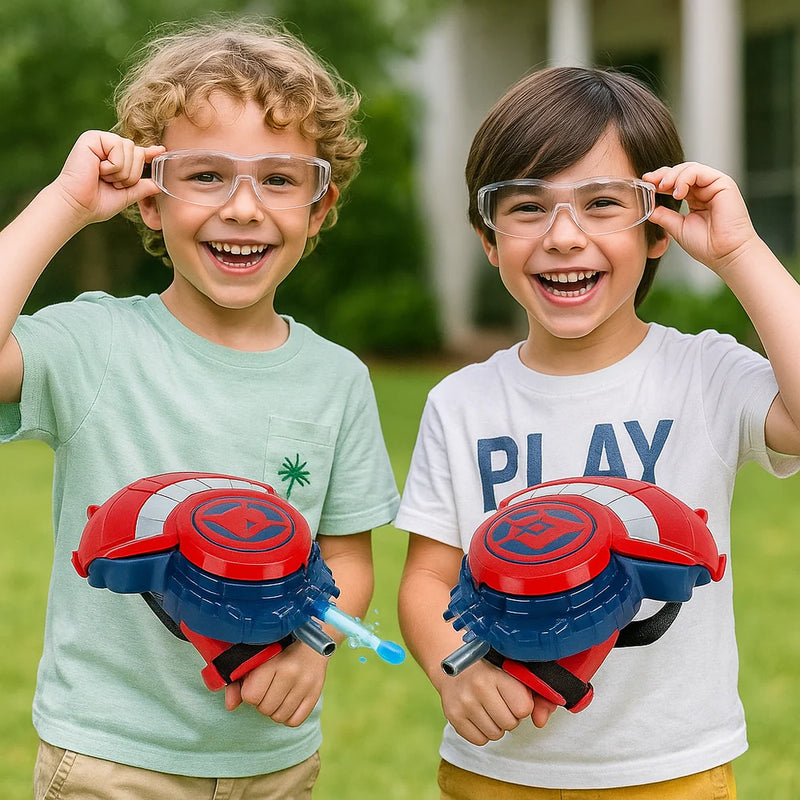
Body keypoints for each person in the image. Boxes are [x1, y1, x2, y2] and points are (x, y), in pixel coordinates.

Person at [0, 18, 399, 800]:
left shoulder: (337, 379)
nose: (244, 208)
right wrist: (68, 200)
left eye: (280, 180)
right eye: (207, 175)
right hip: (111, 760)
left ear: (320, 207)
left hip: (271, 765)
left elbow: (348, 559)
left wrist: (312, 646)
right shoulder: (97, 342)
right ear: (150, 199)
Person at [395, 65, 800, 799]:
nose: (563, 236)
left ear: (656, 229)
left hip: (674, 770)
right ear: (489, 238)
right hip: (498, 772)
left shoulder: (701, 372)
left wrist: (739, 254)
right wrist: (457, 667)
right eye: (526, 206)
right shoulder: (462, 401)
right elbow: (427, 577)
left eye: (602, 203)